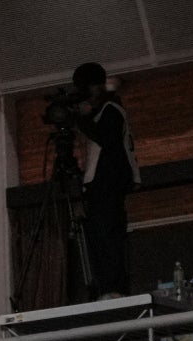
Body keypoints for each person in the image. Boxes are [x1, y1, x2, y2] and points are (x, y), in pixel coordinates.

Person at [69, 61, 138, 296]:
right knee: (98, 238)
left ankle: (113, 288)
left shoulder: (111, 110)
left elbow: (106, 138)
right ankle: (104, 287)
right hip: (99, 187)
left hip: (108, 186)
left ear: (95, 86)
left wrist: (82, 118)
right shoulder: (101, 112)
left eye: (85, 88)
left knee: (108, 238)